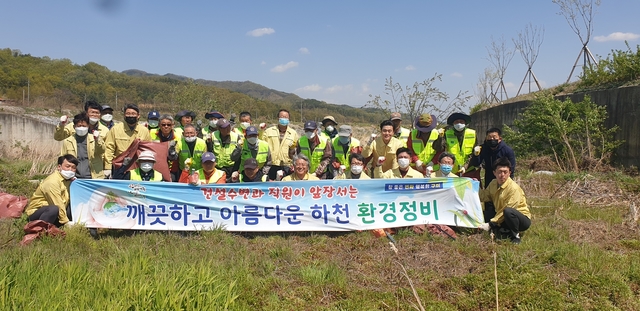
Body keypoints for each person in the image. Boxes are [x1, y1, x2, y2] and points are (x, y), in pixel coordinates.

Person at [478, 157, 531, 244]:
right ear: (494, 173)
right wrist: (474, 186)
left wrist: (491, 224)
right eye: (499, 172)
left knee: (508, 211)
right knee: (485, 214)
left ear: (509, 173)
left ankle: (515, 236)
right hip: (503, 216)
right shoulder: (493, 183)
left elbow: (508, 209)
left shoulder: (513, 188)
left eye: (505, 172)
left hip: (520, 219)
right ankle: (503, 230)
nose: (502, 175)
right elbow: (484, 197)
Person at [24, 155, 79, 227]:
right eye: (67, 166)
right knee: (53, 209)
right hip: (38, 214)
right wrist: (65, 222)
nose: (70, 170)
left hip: (55, 214)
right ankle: (39, 231)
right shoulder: (52, 182)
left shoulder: (68, 180)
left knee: (73, 205)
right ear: (59, 167)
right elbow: (57, 203)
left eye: (73, 167)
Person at [103, 104, 151, 178]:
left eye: (133, 114)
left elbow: (148, 150)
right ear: (124, 116)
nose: (130, 116)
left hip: (137, 168)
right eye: (128, 114)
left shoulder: (144, 131)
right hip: (119, 166)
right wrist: (108, 168)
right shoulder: (115, 129)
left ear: (138, 116)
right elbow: (109, 149)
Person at [60, 112, 105, 179]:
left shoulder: (95, 138)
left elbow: (101, 150)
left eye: (84, 126)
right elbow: (62, 159)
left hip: (93, 178)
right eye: (79, 126)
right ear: (74, 127)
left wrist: (97, 140)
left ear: (88, 126)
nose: (81, 128)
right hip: (74, 178)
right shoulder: (68, 141)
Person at [262, 109, 299, 180]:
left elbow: (296, 151)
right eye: (282, 116)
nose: (284, 119)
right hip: (271, 164)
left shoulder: (293, 133)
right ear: (278, 118)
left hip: (286, 165)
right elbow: (262, 146)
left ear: (289, 119)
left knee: (285, 186)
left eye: (286, 117)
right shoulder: (268, 131)